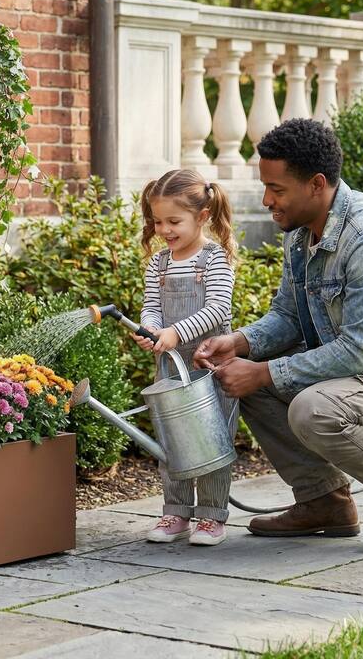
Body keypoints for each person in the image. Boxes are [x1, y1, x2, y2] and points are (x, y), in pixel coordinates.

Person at [194, 118, 363, 554]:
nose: (267, 200)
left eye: (277, 189)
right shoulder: (300, 233)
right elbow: (288, 316)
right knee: (243, 380)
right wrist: (241, 344)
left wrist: (264, 371)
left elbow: (360, 350)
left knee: (311, 408)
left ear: (317, 184)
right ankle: (324, 501)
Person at [134, 169, 238, 546]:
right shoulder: (158, 264)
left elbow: (216, 310)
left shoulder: (214, 260)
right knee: (173, 440)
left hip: (211, 366)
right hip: (170, 365)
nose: (164, 229)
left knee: (213, 441)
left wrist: (175, 333)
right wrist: (150, 330)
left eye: (174, 221)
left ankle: (212, 517)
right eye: (157, 221)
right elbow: (151, 309)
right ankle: (175, 511)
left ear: (203, 216)